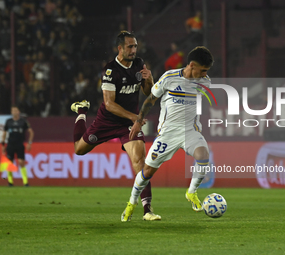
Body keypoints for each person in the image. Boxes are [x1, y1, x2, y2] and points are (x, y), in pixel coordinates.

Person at [70, 31, 161, 221]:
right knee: (79, 150)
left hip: (128, 124)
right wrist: (136, 117)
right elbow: (109, 104)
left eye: (135, 46)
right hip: (107, 121)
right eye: (130, 46)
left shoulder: (138, 63)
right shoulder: (110, 70)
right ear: (119, 48)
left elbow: (147, 91)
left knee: (140, 162)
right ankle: (81, 112)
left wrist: (149, 79)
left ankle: (147, 210)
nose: (133, 50)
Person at [121, 46, 214, 222]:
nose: (205, 75)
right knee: (147, 171)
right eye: (203, 70)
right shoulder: (169, 78)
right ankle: (131, 203)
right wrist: (139, 120)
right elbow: (150, 100)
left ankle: (191, 192)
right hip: (168, 134)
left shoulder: (205, 82)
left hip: (190, 131)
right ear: (192, 65)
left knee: (203, 155)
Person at [1, 106, 34, 186]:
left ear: (18, 111)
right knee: (10, 163)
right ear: (11, 112)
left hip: (19, 144)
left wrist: (29, 143)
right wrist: (3, 145)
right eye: (13, 110)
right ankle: (10, 182)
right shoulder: (8, 121)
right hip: (10, 144)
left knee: (21, 162)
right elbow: (4, 133)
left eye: (16, 110)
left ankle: (25, 182)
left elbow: (31, 132)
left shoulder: (23, 121)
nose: (14, 112)